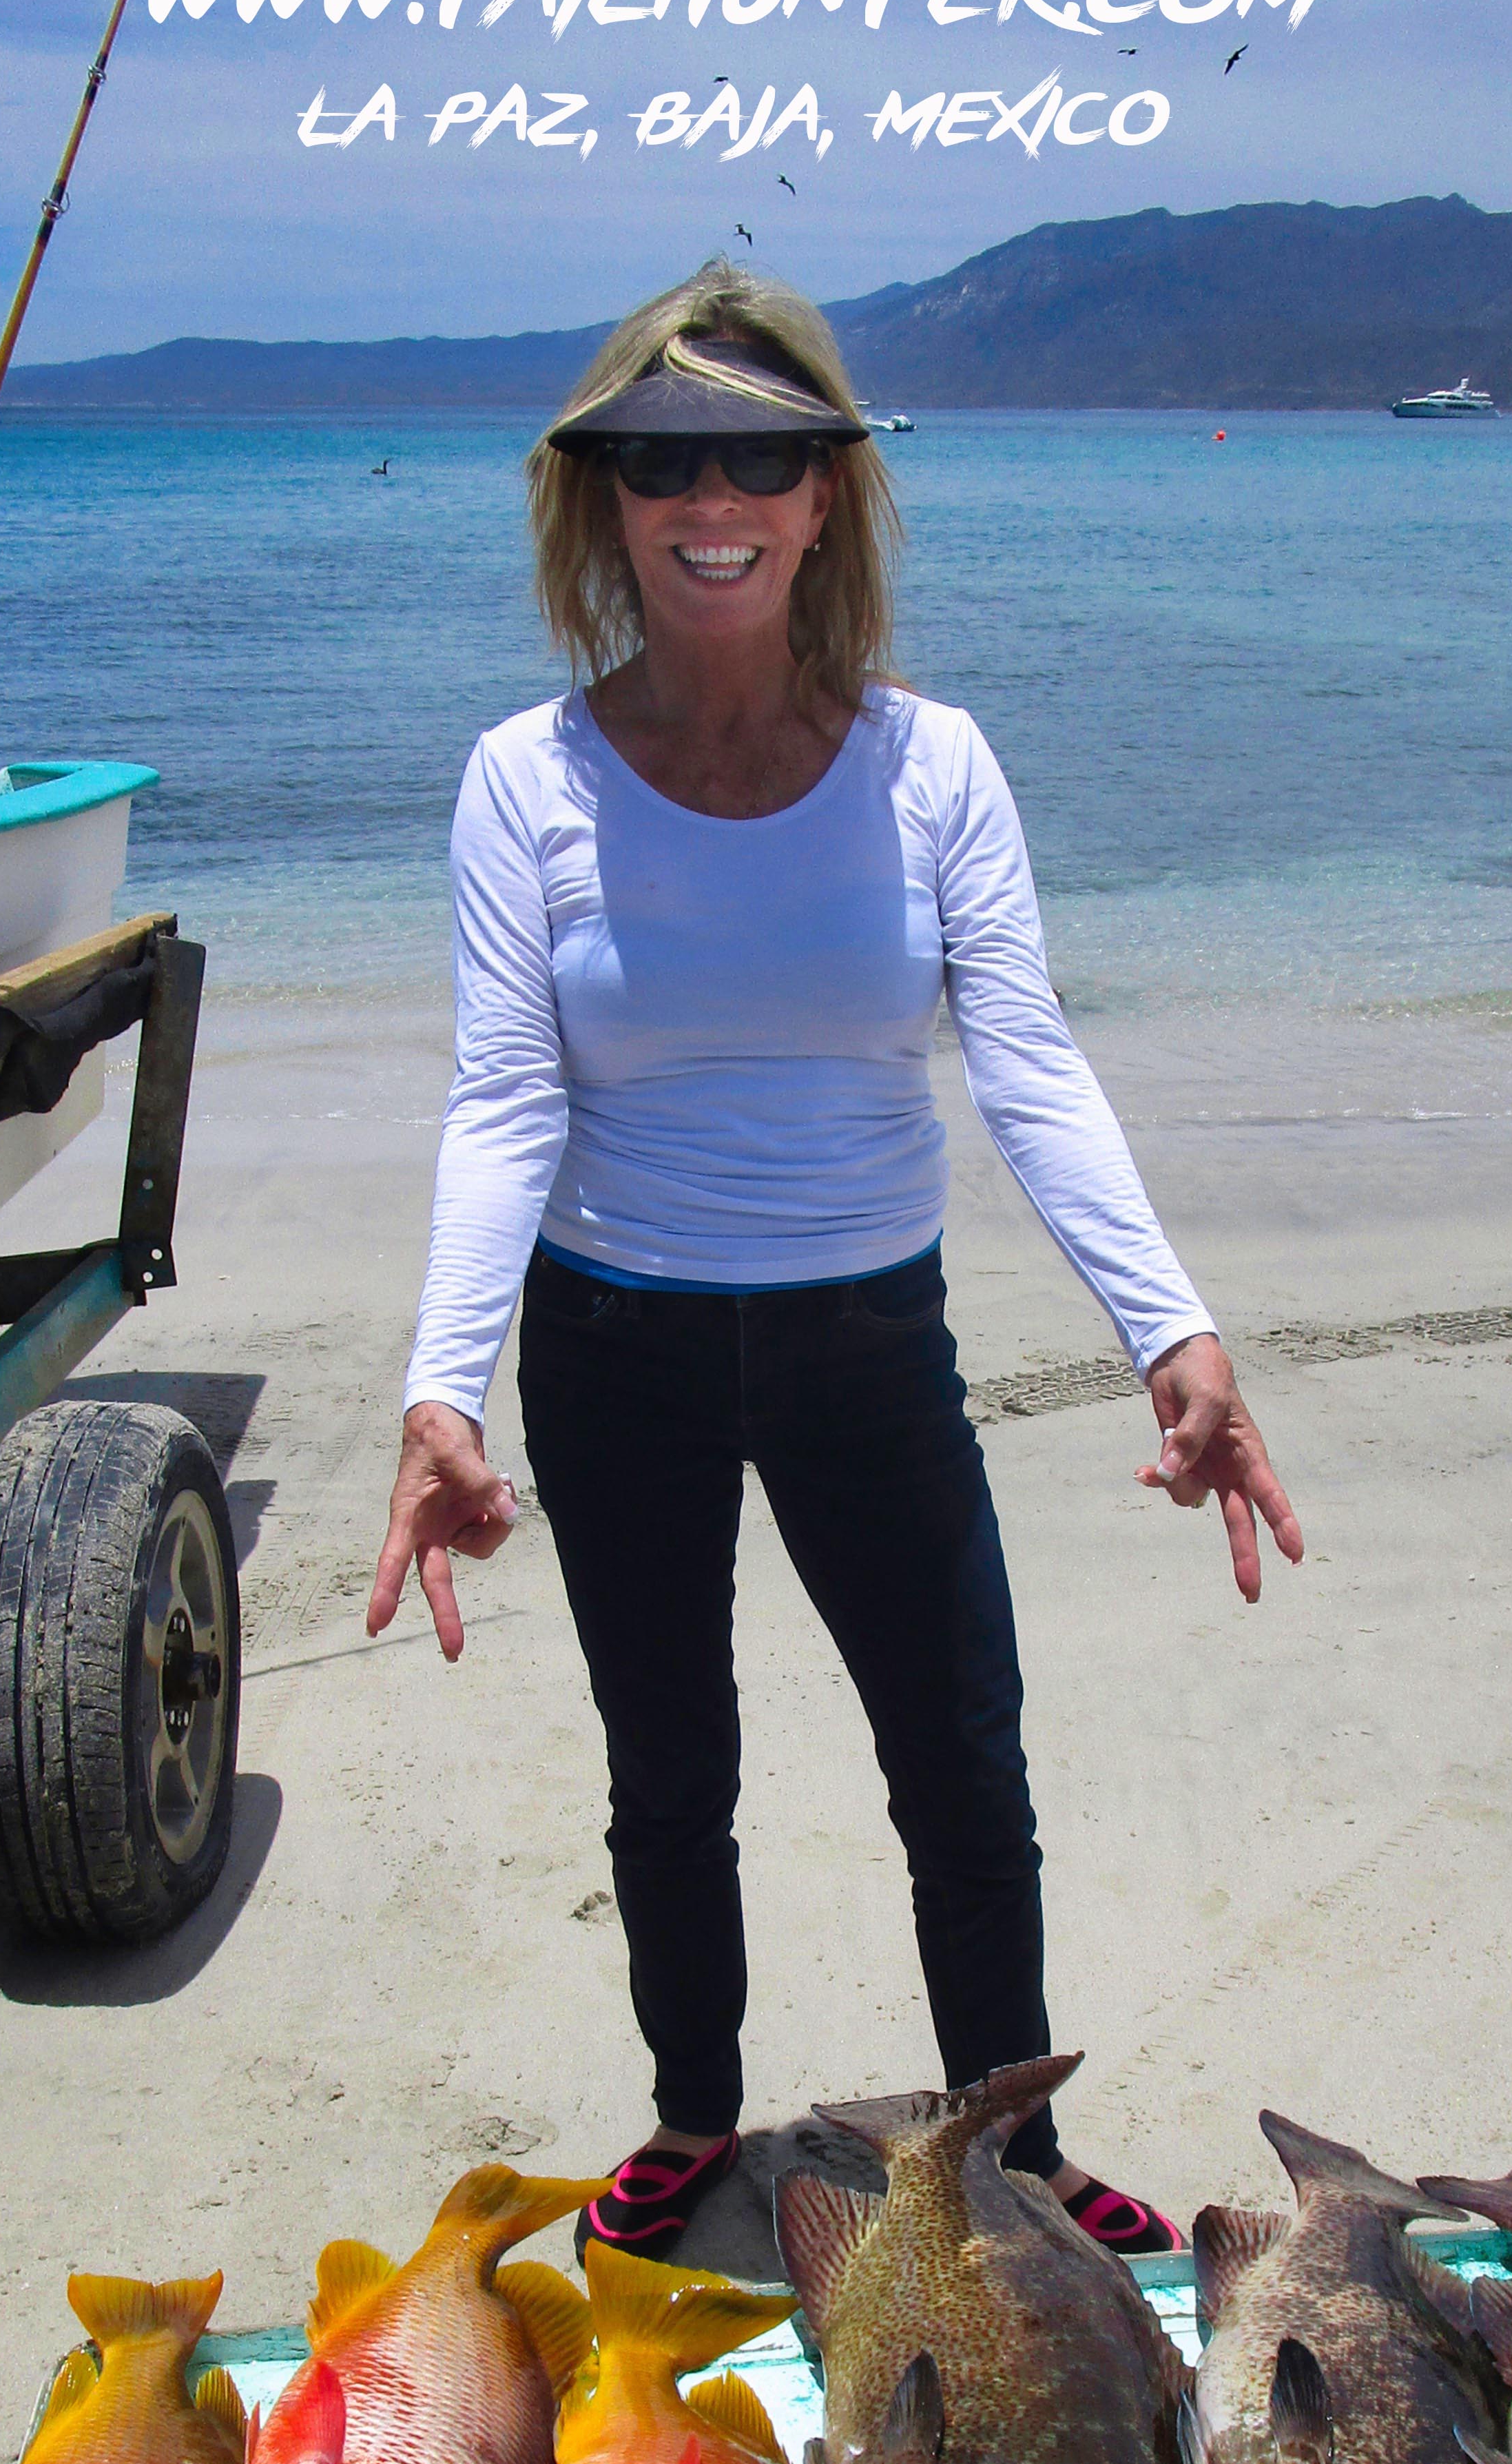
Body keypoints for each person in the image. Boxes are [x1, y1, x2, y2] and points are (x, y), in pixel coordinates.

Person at [371, 264, 1301, 2259]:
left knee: (960, 1751)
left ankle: (1013, 2143)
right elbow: (504, 1098)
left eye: (762, 457)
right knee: (667, 1764)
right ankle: (694, 2117)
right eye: (659, 460)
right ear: (601, 499)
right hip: (613, 1341)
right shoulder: (524, 779)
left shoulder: (932, 764)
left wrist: (1173, 1329)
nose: (711, 497)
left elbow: (1026, 1057)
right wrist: (442, 1389)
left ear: (826, 497)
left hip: (868, 1341)